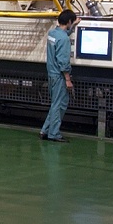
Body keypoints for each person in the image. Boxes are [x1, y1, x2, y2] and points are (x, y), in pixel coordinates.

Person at [41, 9, 78, 142]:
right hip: (60, 76)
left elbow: (62, 35)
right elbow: (63, 61)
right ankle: (54, 134)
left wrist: (73, 26)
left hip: (52, 74)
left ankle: (45, 130)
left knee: (54, 104)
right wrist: (68, 79)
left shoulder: (52, 33)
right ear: (69, 21)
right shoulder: (64, 39)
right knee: (60, 105)